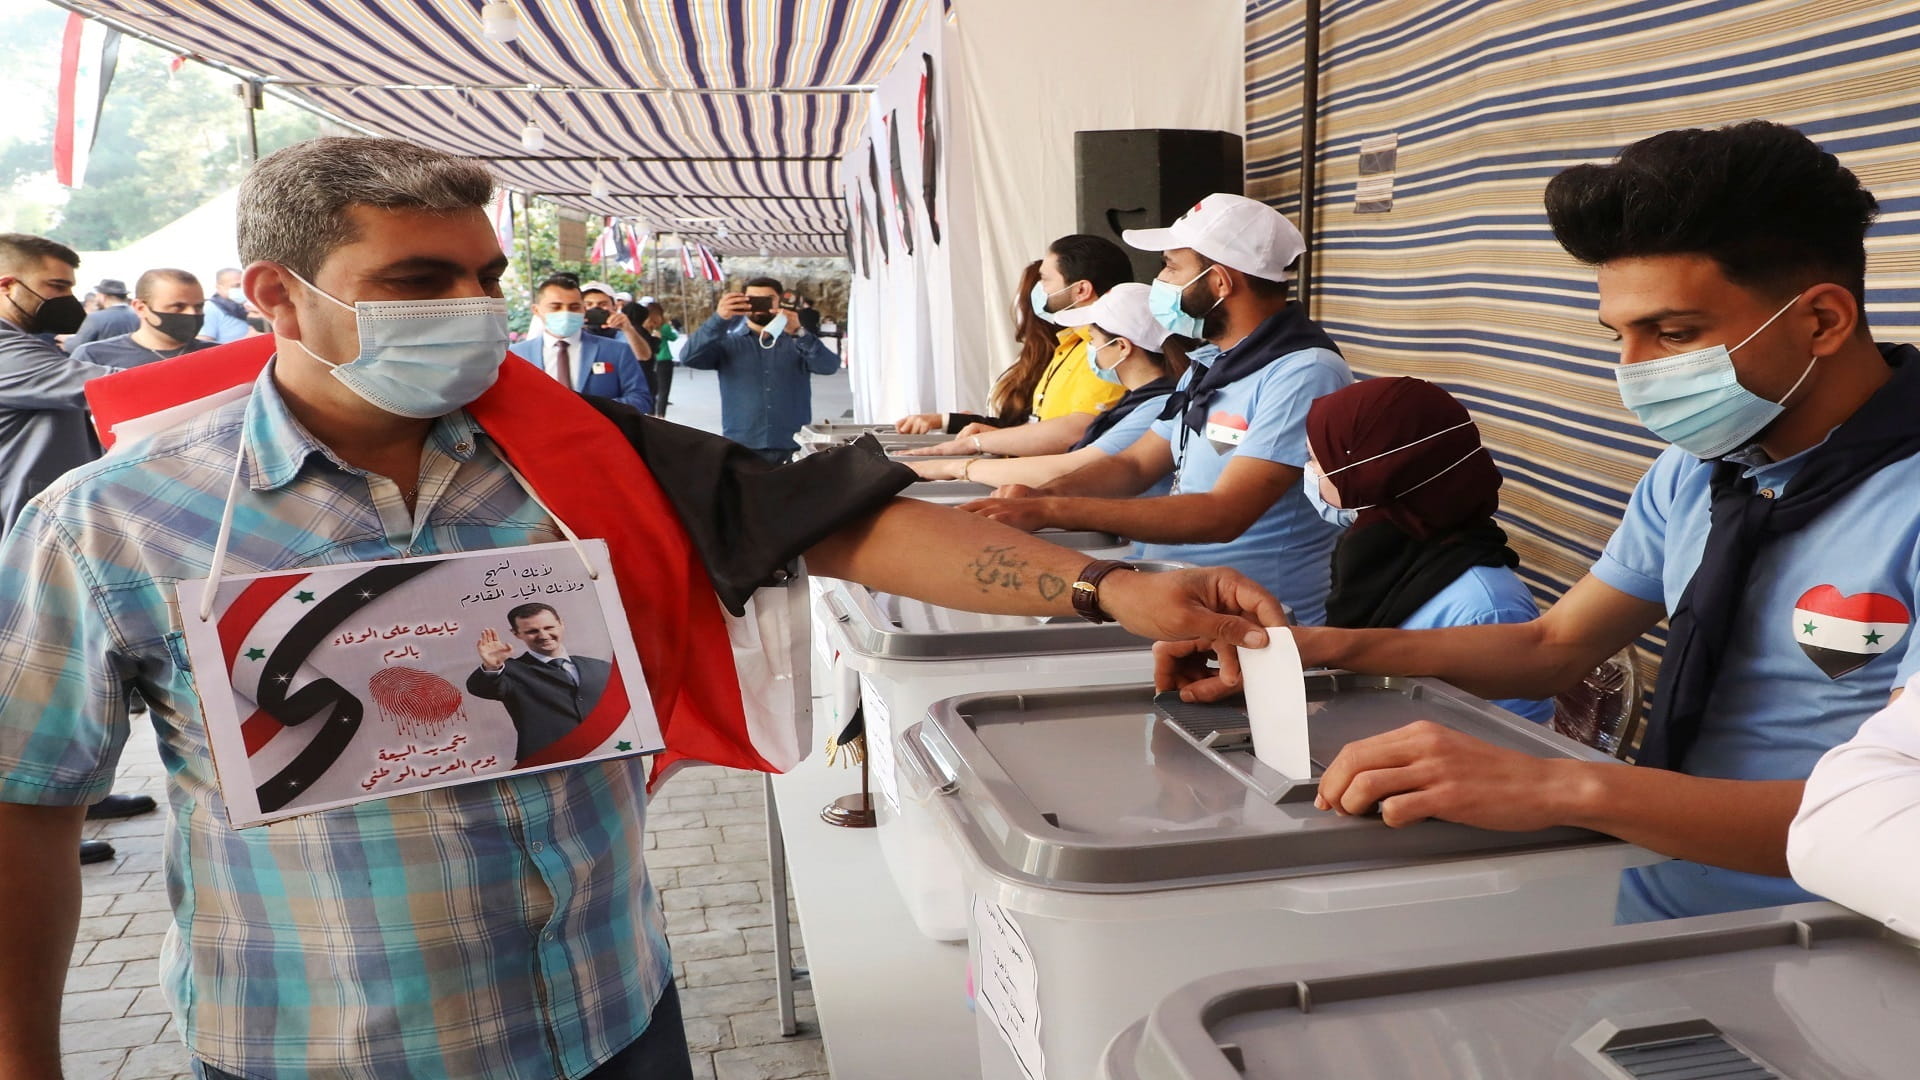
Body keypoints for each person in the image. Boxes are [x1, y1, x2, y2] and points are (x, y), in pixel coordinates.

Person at [0, 135, 1286, 1079]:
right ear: (276, 292)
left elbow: (834, 524)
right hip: (322, 1046)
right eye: (416, 280)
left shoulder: (570, 453)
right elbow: (27, 800)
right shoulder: (116, 520)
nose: (470, 309)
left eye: (485, 275)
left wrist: (1111, 589)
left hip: (608, 1017)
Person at [1160, 121, 1920, 925]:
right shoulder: (1700, 471)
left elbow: (1891, 826)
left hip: (1840, 933)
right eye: (1618, 336)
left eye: (1673, 334)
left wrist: (1560, 785)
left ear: (1823, 321)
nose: (1634, 370)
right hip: (1656, 892)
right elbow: (1553, 646)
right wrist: (1309, 650)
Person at [964, 194, 1354, 625]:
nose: (1160, 280)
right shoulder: (1212, 365)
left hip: (1256, 619)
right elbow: (1134, 464)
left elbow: (1224, 512)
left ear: (1219, 281)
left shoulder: (1303, 372)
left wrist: (1052, 511)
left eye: (1171, 266)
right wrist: (1044, 494)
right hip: (1176, 593)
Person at [0, 235, 155, 868]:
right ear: (8, 286)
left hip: (46, 537)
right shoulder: (9, 354)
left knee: (77, 684)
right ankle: (36, 829)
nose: (69, 301)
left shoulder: (31, 344)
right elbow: (110, 387)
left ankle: (79, 799)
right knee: (29, 694)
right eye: (56, 289)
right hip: (14, 539)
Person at [1301, 377, 1552, 723]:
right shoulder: (1374, 559)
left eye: (1315, 460)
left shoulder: (1488, 610)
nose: (1310, 472)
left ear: (1370, 474)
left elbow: (1520, 746)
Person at [908, 283, 1187, 495]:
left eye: (1092, 339)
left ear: (1122, 347)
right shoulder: (1138, 401)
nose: (1089, 349)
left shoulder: (1155, 407)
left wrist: (954, 468)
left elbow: (1070, 468)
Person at [901, 236, 1135, 457]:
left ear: (1081, 290)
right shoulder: (1070, 344)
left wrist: (980, 443)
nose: (1040, 290)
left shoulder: (1106, 349)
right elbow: (1040, 423)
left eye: (1045, 280)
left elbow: (1078, 429)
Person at [680, 276, 839, 464]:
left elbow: (829, 367)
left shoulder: (797, 342)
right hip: (742, 445)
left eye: (767, 299)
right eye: (753, 300)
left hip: (792, 443)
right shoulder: (727, 343)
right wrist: (719, 319)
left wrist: (800, 332)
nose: (760, 306)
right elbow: (688, 357)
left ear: (780, 301)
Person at [895, 259, 1059, 435]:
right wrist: (946, 420)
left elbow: (1034, 434)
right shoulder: (1036, 355)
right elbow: (1011, 425)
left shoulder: (1063, 357)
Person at [467, 603, 612, 764]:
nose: (543, 635)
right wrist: (492, 666)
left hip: (608, 755)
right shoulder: (510, 671)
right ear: (516, 634)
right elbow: (479, 687)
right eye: (532, 631)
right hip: (546, 763)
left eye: (549, 627)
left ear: (561, 624)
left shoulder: (600, 667)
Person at [509, 274, 652, 412]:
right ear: (536, 310)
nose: (565, 313)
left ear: (583, 310)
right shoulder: (516, 355)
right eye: (556, 307)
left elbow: (641, 400)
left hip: (600, 434)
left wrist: (591, 409)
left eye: (574, 307)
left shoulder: (617, 351)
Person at [71, 268, 215, 370]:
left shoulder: (218, 355)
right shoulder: (94, 357)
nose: (192, 314)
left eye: (198, 307)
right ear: (140, 308)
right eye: (178, 306)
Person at [63, 277, 140, 352]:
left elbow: (75, 346)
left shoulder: (96, 318)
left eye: (97, 295)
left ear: (103, 297)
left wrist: (66, 341)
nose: (96, 298)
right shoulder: (138, 315)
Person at [201, 267, 254, 343]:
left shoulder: (247, 306)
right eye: (237, 286)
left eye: (244, 285)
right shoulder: (209, 309)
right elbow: (204, 347)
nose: (242, 289)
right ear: (219, 287)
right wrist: (248, 339)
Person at [645, 301, 675, 417]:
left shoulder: (645, 327)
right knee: (663, 390)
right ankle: (661, 416)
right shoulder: (664, 327)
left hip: (649, 360)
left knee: (651, 389)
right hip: (664, 359)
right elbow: (674, 337)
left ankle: (650, 415)